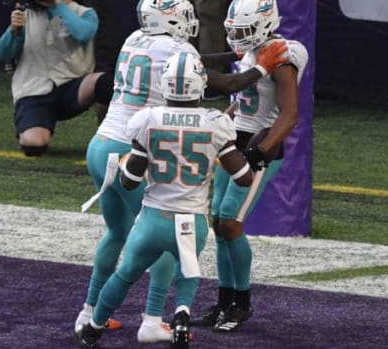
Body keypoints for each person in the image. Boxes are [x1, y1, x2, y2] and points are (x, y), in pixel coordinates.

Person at [74, 0, 289, 345]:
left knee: (116, 232)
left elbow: (195, 61)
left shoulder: (135, 39)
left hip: (101, 145)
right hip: (134, 144)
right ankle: (153, 318)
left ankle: (88, 313)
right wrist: (262, 64)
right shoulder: (179, 51)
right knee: (163, 229)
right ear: (171, 17)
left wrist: (241, 54)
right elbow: (226, 83)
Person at [74, 51, 254, 349]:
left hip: (153, 219)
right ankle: (181, 314)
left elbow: (129, 181)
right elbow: (244, 178)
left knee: (125, 274)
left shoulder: (148, 119)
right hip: (191, 219)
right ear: (201, 85)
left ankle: (93, 328)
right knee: (188, 270)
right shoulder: (215, 122)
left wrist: (126, 166)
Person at [197, 0, 309, 332]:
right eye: (236, 30)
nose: (238, 38)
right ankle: (223, 300)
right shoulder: (256, 52)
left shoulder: (281, 57)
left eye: (245, 30)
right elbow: (243, 98)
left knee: (231, 223)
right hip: (233, 138)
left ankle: (242, 303)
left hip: (260, 144)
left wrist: (260, 153)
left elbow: (289, 116)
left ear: (266, 24)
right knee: (218, 224)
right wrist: (222, 123)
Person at [0, 0, 113, 157]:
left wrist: (56, 4)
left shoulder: (85, 13)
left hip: (72, 88)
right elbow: (3, 54)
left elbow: (83, 34)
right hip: (34, 90)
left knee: (104, 82)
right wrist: (14, 30)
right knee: (34, 146)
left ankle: (107, 137)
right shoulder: (27, 13)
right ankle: (34, 124)